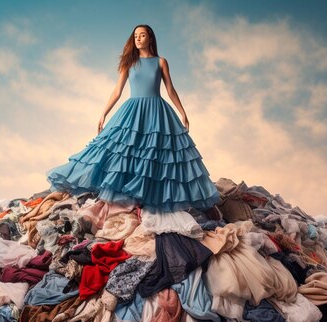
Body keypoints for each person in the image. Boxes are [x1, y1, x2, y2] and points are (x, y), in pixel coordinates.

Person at [46, 24, 220, 213]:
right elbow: (117, 90)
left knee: (158, 154)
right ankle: (127, 194)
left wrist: (182, 111)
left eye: (142, 35)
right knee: (120, 151)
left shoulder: (161, 62)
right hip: (132, 111)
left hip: (157, 112)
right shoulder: (129, 62)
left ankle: (150, 197)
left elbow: (170, 89)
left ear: (150, 38)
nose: (138, 38)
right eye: (135, 35)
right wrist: (104, 113)